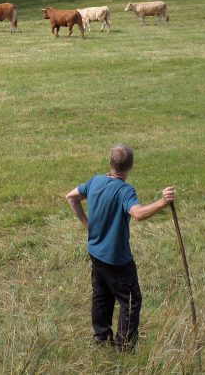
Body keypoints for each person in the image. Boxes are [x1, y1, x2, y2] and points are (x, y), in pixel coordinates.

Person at [65, 143, 175, 350]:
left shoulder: (96, 181)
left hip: (96, 252)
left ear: (111, 163)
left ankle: (101, 337)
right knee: (131, 302)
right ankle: (123, 347)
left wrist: (87, 225)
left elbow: (71, 197)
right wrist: (162, 202)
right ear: (130, 167)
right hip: (117, 259)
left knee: (102, 295)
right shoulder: (124, 191)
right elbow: (138, 213)